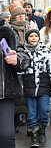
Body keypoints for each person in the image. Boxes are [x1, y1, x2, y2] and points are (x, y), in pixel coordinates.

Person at [20, 29, 51, 147]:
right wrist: (20, 87)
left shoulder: (45, 52)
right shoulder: (22, 52)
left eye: (35, 36)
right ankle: (34, 135)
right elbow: (19, 72)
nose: (33, 38)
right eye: (31, 36)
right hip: (28, 87)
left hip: (43, 87)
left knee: (44, 111)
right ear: (27, 38)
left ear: (39, 38)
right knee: (31, 113)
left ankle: (42, 130)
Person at [0, 18, 30, 148]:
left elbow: (25, 56)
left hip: (4, 93)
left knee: (6, 136)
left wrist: (17, 59)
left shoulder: (7, 32)